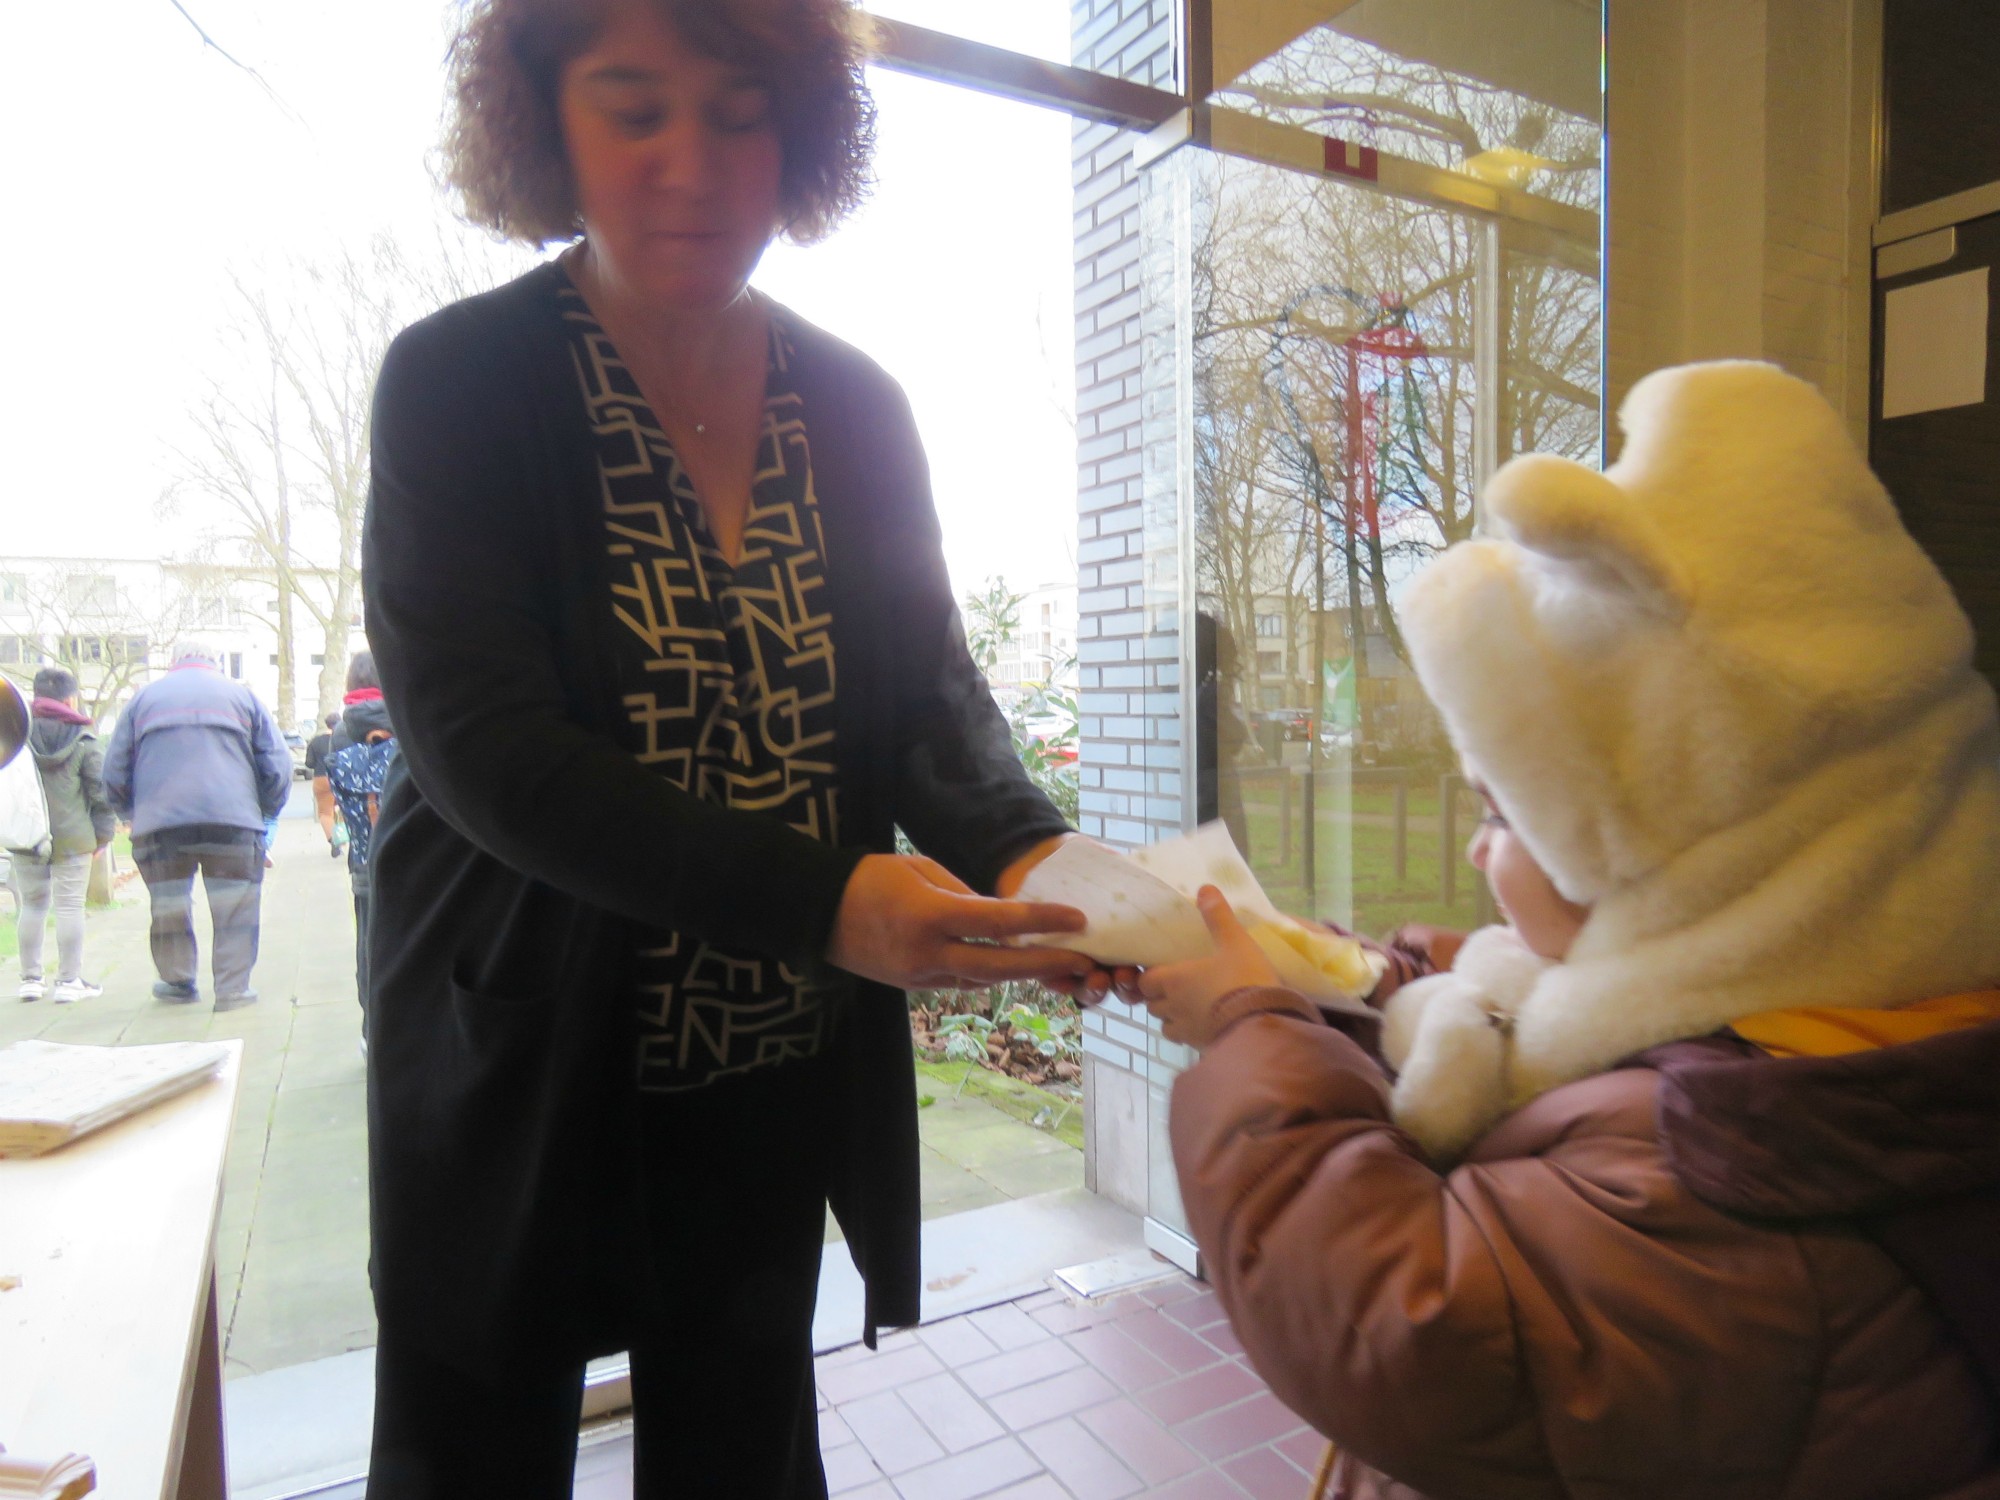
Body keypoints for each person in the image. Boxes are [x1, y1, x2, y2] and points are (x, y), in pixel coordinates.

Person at [361, 3, 1106, 1494]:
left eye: (739, 112)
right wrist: (836, 904)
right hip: (522, 1057)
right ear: (544, 122)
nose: (691, 163)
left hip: (762, 1063)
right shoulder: (457, 384)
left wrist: (1056, 867)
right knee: (472, 1454)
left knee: (745, 1455)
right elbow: (490, 754)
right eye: (634, 109)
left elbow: (927, 706)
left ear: (803, 136)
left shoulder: (858, 408)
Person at [1129, 363, 2000, 1500]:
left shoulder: (1736, 1163)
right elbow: (1535, 1017)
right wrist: (1343, 983)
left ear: (1681, 866)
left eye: (1503, 814)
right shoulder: (1835, 1028)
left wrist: (1251, 1029)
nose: (1477, 855)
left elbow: (1400, 1320)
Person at [103, 639, 292, 1011]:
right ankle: (232, 989)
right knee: (235, 907)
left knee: (169, 904)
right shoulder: (244, 698)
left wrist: (130, 812)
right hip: (233, 821)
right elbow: (276, 765)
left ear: (174, 663)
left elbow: (114, 770)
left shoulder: (142, 701)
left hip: (160, 825)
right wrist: (265, 811)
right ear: (216, 663)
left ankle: (177, 982)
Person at [8, 667, 114, 1003]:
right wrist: (103, 836)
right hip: (74, 838)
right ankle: (68, 982)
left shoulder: (14, 735)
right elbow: (100, 792)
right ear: (70, 698)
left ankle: (30, 980)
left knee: (32, 906)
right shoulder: (84, 738)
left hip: (27, 835)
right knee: (69, 907)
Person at [322, 651, 394, 1033]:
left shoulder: (342, 732)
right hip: (411, 853)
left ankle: (373, 1030)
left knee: (369, 945)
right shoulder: (406, 718)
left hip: (365, 856)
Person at [305, 711, 343, 855]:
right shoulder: (341, 739)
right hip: (339, 776)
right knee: (340, 810)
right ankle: (343, 837)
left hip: (321, 778)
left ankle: (333, 840)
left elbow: (309, 763)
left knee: (325, 813)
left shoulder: (316, 741)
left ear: (326, 724)